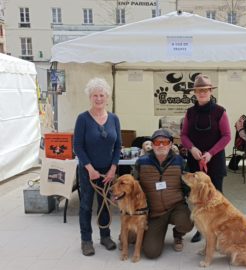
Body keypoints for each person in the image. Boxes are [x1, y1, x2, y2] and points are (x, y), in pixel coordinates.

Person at [73, 77, 121, 256]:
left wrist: (113, 168)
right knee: (86, 205)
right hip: (88, 172)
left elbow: (118, 146)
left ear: (107, 97)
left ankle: (105, 236)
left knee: (106, 204)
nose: (99, 98)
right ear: (90, 97)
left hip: (108, 172)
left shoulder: (114, 118)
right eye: (95, 95)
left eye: (102, 95)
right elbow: (77, 146)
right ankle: (86, 240)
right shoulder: (83, 119)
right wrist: (89, 168)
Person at [181, 74, 231, 242]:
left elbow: (226, 136)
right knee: (197, 197)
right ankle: (201, 229)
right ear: (194, 92)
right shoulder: (190, 112)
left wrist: (210, 153)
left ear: (210, 91)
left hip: (214, 161)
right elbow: (184, 135)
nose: (202, 93)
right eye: (198, 90)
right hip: (195, 159)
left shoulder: (220, 112)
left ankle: (219, 229)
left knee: (216, 197)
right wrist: (192, 148)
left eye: (205, 90)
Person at [134, 129, 193, 259]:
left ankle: (178, 234)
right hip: (154, 212)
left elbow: (188, 186)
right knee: (151, 252)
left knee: (188, 222)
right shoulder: (141, 162)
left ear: (171, 144)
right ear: (153, 144)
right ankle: (145, 233)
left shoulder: (180, 162)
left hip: (176, 207)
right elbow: (133, 185)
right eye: (157, 142)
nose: (161, 145)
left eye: (165, 142)